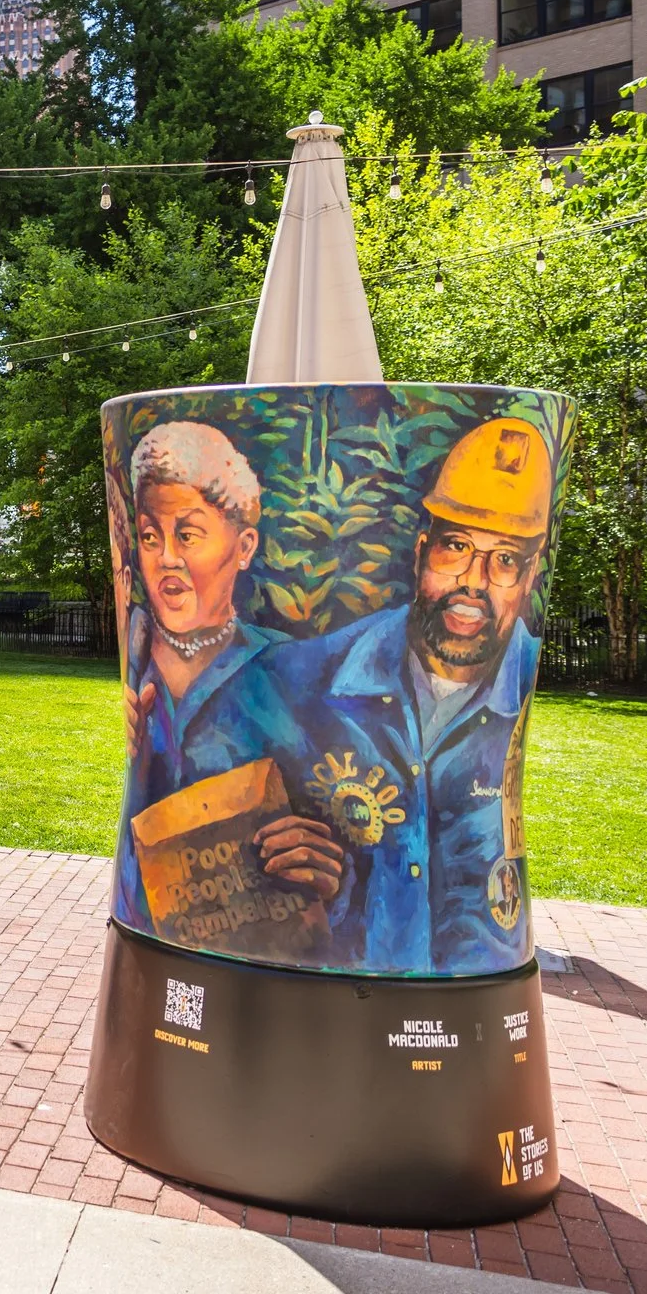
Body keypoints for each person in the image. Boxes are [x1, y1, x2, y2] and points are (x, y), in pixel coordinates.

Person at [260, 416, 554, 974]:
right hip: (340, 996)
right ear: (422, 552)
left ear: (531, 574)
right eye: (456, 547)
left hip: (477, 1001)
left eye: (505, 560)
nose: (474, 581)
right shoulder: (308, 677)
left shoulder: (523, 679)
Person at [111, 421, 344, 942]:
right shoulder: (137, 653)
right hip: (146, 943)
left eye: (188, 535)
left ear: (243, 546)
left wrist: (328, 869)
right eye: (150, 536)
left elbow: (346, 828)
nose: (167, 558)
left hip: (257, 953)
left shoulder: (289, 671)